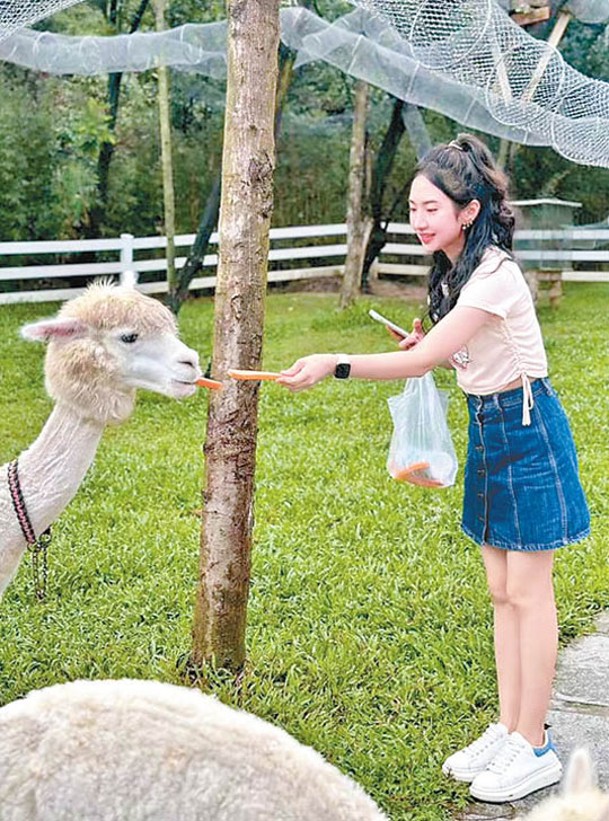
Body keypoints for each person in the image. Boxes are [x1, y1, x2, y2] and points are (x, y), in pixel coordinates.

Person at [276, 133, 590, 804]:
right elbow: (457, 353)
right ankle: (510, 728)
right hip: (489, 431)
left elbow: (423, 364)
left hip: (528, 434)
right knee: (501, 592)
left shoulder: (493, 273)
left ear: (468, 210)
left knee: (529, 594)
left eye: (430, 208)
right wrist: (434, 343)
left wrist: (335, 363)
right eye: (413, 208)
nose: (419, 220)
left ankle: (534, 744)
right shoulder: (453, 274)